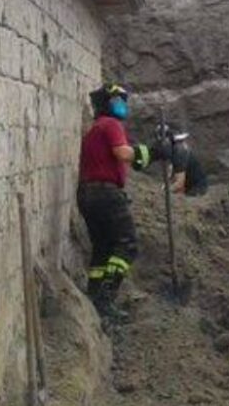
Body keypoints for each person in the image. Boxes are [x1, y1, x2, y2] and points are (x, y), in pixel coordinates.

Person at [77, 82, 150, 322]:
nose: (123, 104)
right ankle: (106, 299)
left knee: (103, 247)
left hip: (87, 194)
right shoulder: (111, 124)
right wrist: (151, 152)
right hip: (106, 193)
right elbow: (122, 153)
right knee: (127, 244)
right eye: (119, 99)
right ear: (107, 102)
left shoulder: (95, 129)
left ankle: (94, 294)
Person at [152, 123, 208, 196]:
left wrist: (162, 194)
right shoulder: (176, 148)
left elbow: (179, 184)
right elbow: (172, 175)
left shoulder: (179, 151)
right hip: (190, 186)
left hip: (195, 189)